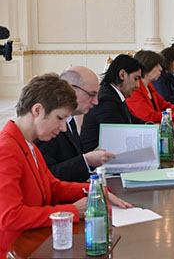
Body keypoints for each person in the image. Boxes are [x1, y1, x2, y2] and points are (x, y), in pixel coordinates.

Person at [0, 74, 132, 257]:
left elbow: (52, 187)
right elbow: (10, 216)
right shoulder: (6, 149)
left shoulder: (28, 143)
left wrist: (95, 190)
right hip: (16, 249)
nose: (63, 128)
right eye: (59, 118)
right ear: (37, 110)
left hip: (37, 240)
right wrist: (72, 211)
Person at [35, 66, 116, 182]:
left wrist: (91, 159)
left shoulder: (70, 121)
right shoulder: (47, 123)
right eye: (91, 94)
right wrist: (87, 160)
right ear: (71, 90)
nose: (96, 101)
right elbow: (47, 175)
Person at [80, 54, 144, 152]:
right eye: (136, 79)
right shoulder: (106, 100)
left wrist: (154, 127)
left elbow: (132, 121)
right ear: (122, 75)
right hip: (97, 158)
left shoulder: (113, 94)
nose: (138, 85)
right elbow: (119, 136)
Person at [127, 50, 174, 122]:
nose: (160, 68)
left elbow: (163, 105)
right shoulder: (134, 89)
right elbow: (149, 116)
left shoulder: (149, 86)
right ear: (147, 67)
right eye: (157, 65)